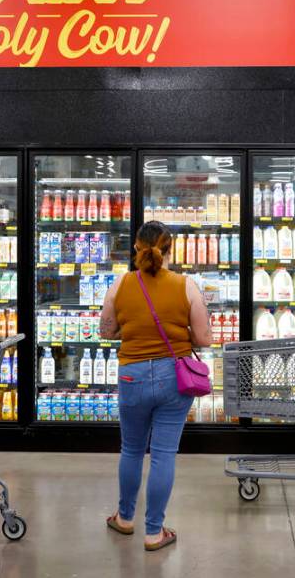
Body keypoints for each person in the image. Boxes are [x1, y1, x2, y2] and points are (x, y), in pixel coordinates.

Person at [99, 220, 212, 551]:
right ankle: (153, 532)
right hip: (173, 378)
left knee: (132, 449)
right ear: (169, 250)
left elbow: (106, 330)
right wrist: (180, 334)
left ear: (136, 248)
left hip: (131, 374)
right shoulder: (186, 285)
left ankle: (124, 518)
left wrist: (133, 330)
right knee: (164, 455)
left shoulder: (120, 284)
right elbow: (204, 339)